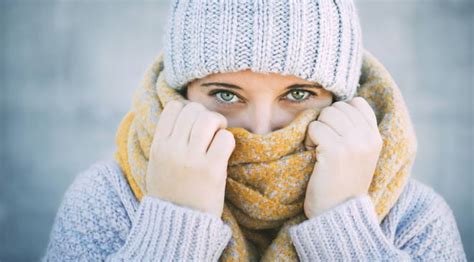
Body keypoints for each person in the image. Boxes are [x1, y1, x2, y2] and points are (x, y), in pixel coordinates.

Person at [43, 0, 467, 261]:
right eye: (226, 95)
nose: (261, 132)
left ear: (341, 101)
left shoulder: (412, 217)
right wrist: (174, 225)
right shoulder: (109, 199)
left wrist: (344, 227)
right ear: (182, 93)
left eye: (298, 93)